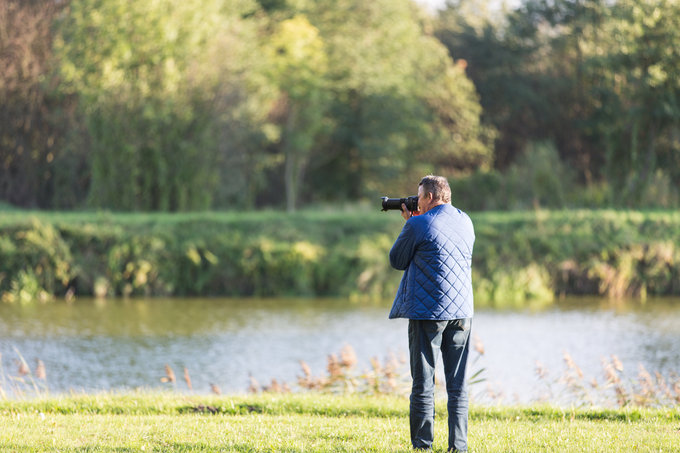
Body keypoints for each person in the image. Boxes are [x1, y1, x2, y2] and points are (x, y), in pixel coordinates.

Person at [388, 175, 475, 452]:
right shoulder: (466, 220)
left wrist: (410, 222)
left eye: (419, 197)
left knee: (424, 383)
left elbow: (397, 260)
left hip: (429, 312)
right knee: (458, 384)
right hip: (462, 312)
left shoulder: (418, 223)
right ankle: (458, 446)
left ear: (428, 197)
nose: (417, 202)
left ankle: (423, 446)